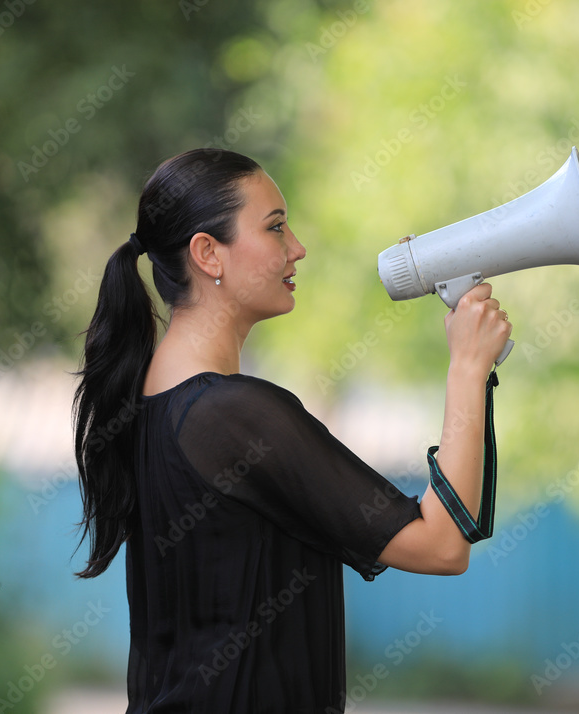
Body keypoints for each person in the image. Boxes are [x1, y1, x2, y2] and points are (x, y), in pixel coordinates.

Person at [72, 148, 512, 713]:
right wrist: (468, 369)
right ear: (207, 253)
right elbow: (442, 544)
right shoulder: (233, 414)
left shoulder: (149, 406)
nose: (297, 248)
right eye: (276, 227)